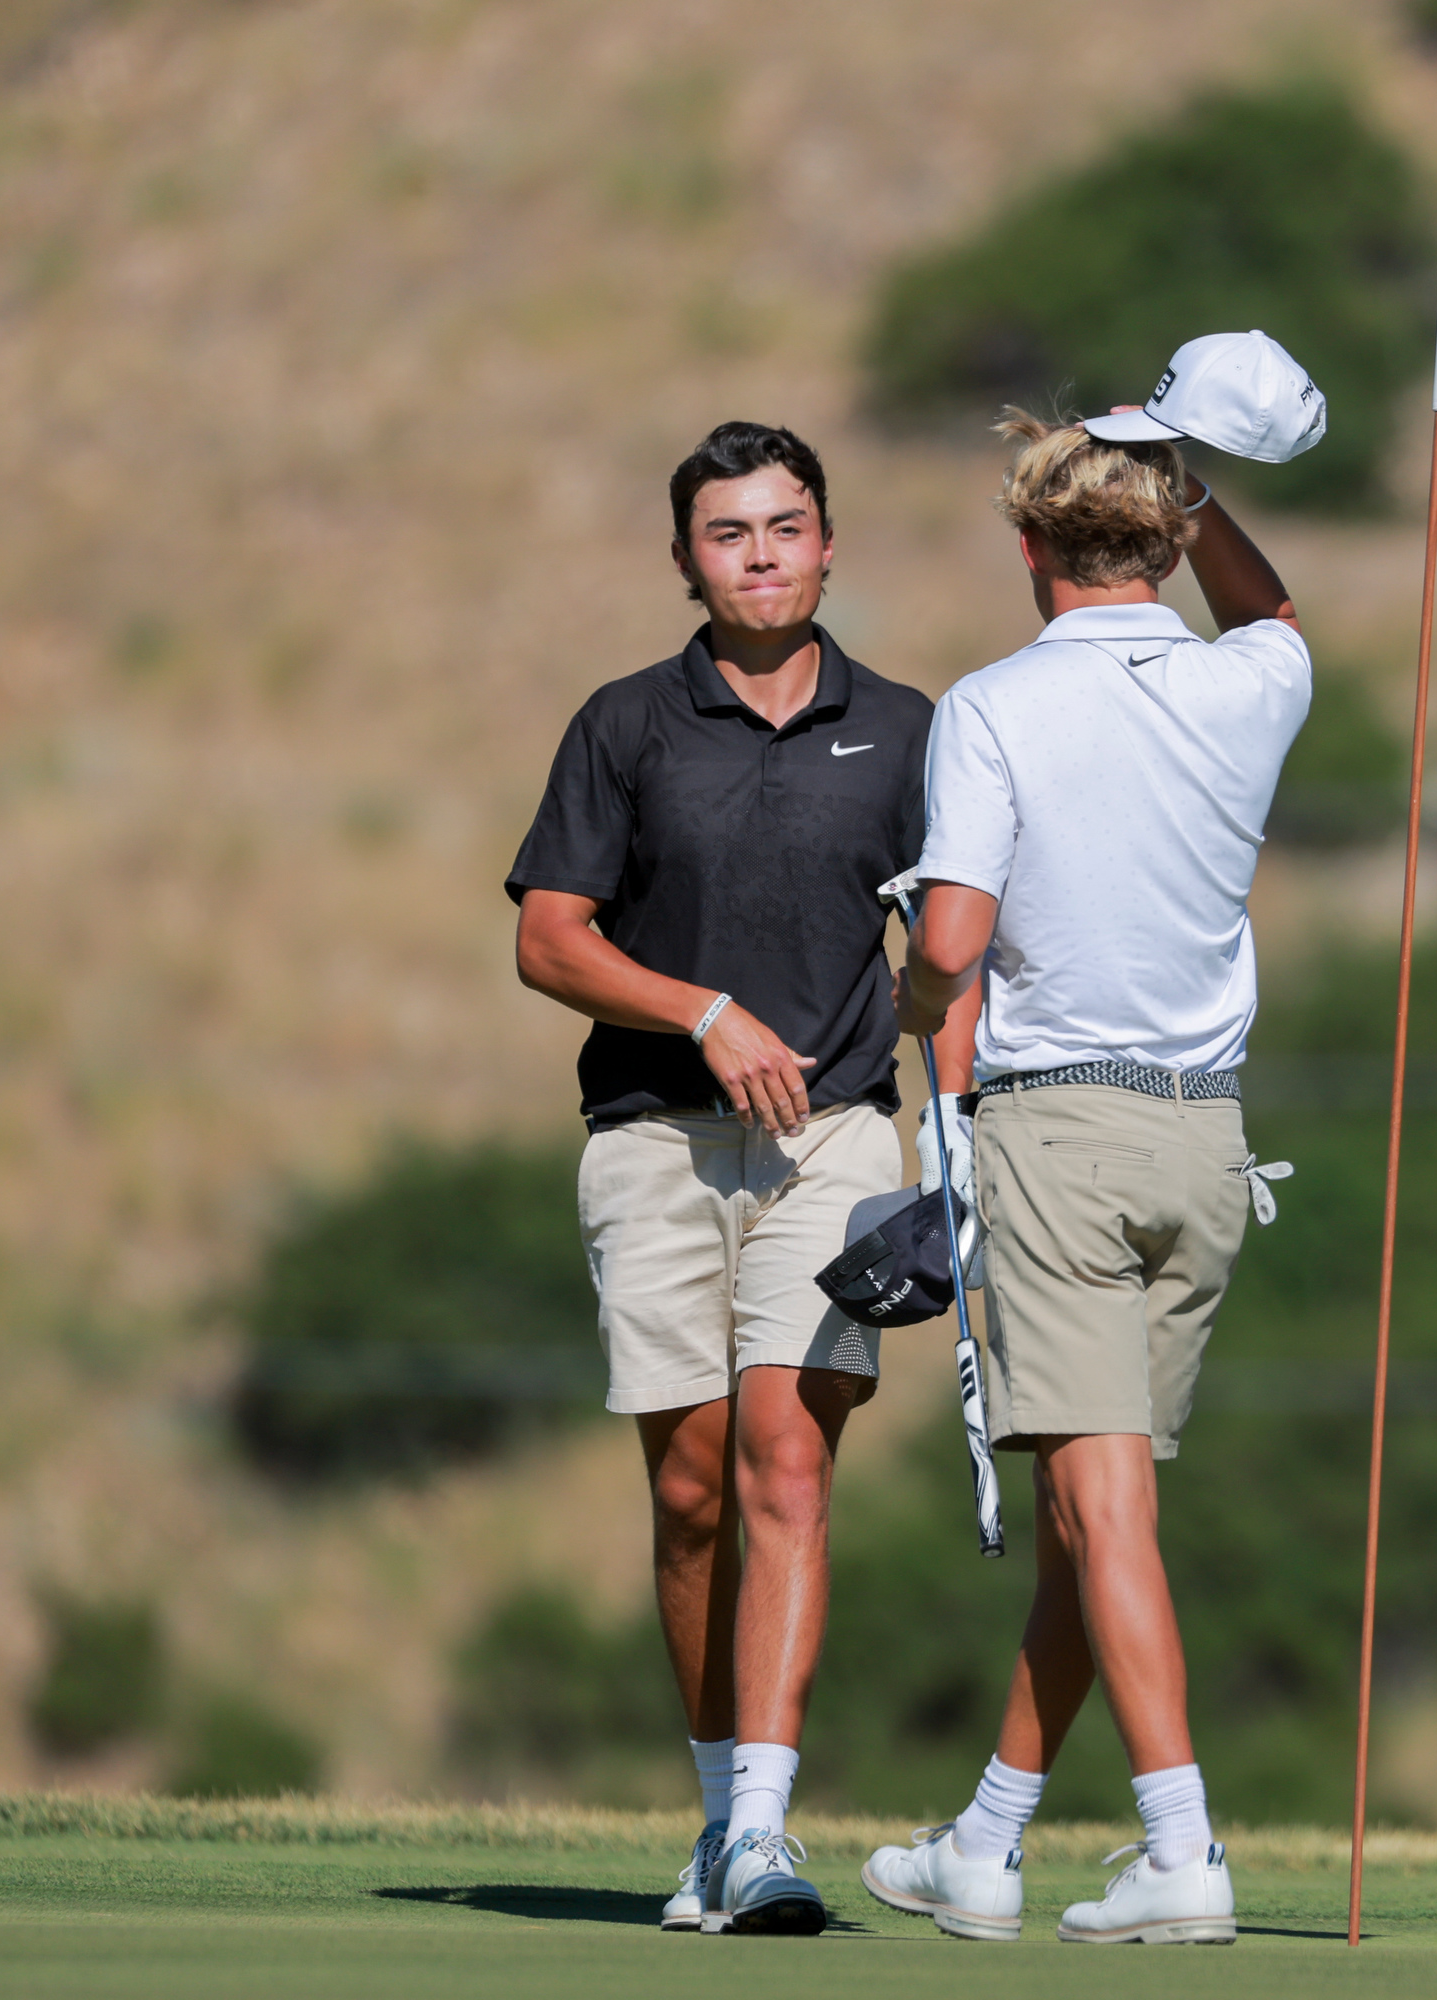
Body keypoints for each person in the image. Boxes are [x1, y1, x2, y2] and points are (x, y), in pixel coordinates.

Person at [506, 421, 978, 1935]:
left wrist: (951, 1129)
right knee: (693, 1488)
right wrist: (703, 1013)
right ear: (686, 561)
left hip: (834, 1140)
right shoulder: (626, 725)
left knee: (787, 1458)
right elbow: (551, 938)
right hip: (649, 1134)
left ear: (829, 545)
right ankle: (715, 1824)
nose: (761, 553)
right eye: (730, 533)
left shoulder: (908, 729)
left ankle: (766, 1836)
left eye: (786, 526)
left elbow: (952, 952)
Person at [861, 396, 1310, 1947]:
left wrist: (911, 1002)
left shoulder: (993, 705)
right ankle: (984, 1844)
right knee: (1087, 1508)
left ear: (1037, 549)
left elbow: (959, 944)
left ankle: (1182, 1852)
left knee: (1101, 1510)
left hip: (1059, 1128)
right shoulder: (1258, 675)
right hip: (1208, 1143)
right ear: (1173, 541)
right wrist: (1195, 486)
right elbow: (1271, 608)